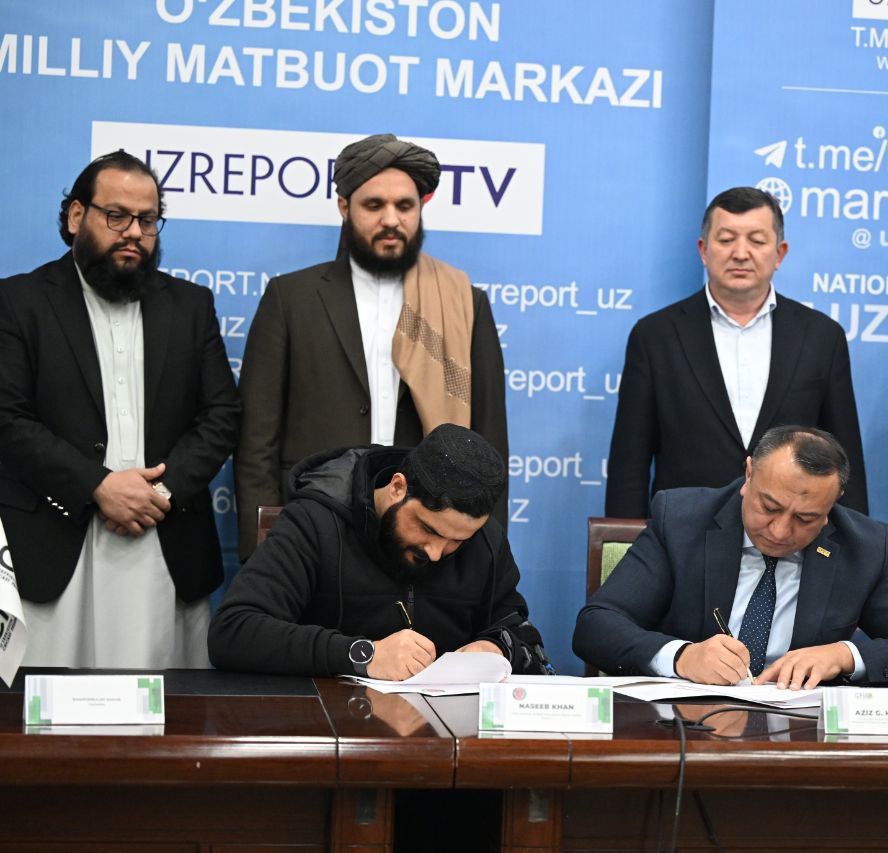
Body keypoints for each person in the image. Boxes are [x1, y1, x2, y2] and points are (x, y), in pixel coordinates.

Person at [0, 150, 240, 668]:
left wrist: (158, 492)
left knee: (167, 705)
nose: (133, 232)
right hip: (54, 540)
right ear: (76, 216)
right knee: (47, 704)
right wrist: (98, 486)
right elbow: (8, 418)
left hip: (164, 538)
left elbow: (222, 415)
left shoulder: (191, 305)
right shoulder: (18, 302)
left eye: (147, 220)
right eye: (116, 216)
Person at [235, 133, 507, 560]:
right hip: (314, 520)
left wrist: (486, 556)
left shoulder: (463, 303)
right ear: (345, 207)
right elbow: (256, 443)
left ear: (421, 208)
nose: (391, 219)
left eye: (405, 206)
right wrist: (262, 546)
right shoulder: (291, 298)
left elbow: (489, 441)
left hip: (425, 532)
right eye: (374, 205)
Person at [576, 426, 888, 687]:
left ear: (831, 506)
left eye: (805, 519)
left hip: (800, 742)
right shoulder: (680, 521)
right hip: (683, 731)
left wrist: (844, 655)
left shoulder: (862, 548)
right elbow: (597, 626)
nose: (779, 531)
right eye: (769, 507)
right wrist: (681, 657)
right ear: (749, 475)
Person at [604, 187, 868, 519]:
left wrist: (854, 542)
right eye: (726, 239)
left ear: (779, 253)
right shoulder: (655, 336)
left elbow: (843, 458)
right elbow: (630, 463)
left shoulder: (822, 337)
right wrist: (624, 540)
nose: (741, 253)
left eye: (756, 241)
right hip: (684, 535)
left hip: (790, 532)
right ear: (703, 250)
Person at [209, 424, 549, 680]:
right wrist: (363, 655)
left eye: (457, 541)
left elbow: (523, 636)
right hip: (325, 727)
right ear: (397, 487)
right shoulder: (316, 521)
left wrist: (496, 648)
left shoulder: (485, 540)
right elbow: (233, 632)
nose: (436, 553)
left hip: (446, 734)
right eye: (429, 529)